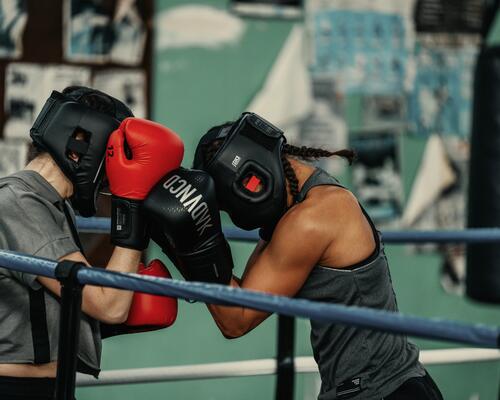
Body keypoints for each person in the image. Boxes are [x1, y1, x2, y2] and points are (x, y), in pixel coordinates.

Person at [144, 112, 443, 399]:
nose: (234, 214)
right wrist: (176, 232)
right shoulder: (305, 196)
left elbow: (236, 319)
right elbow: (244, 293)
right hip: (385, 386)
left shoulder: (310, 220)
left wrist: (185, 237)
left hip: (383, 391)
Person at [0, 86, 183, 400]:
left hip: (47, 387)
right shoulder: (20, 203)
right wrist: (133, 209)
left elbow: (55, 302)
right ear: (78, 147)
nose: (114, 171)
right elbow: (109, 306)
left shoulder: (51, 203)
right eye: (110, 154)